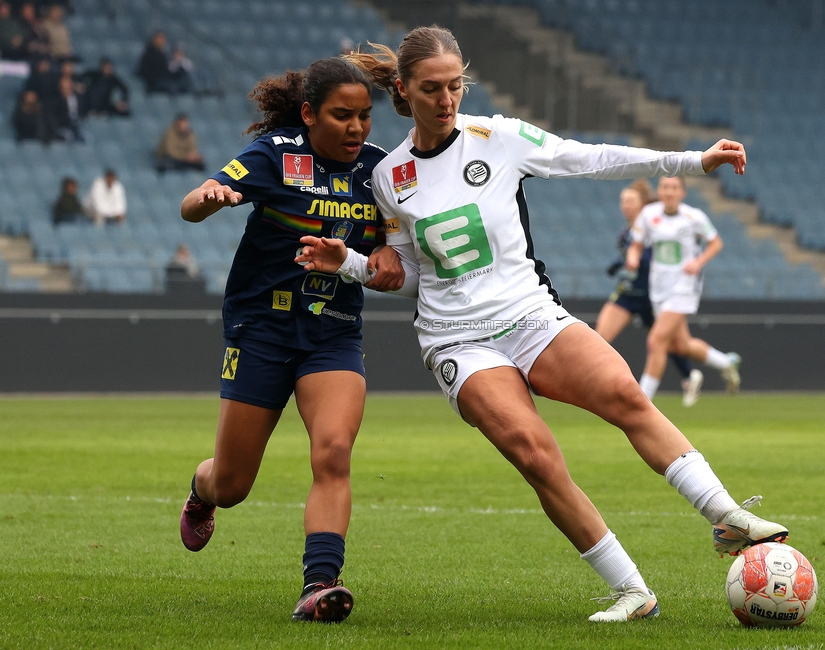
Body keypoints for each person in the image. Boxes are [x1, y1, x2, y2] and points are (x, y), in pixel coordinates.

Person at [299, 26, 790, 624]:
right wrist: (349, 263)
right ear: (403, 90)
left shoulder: (496, 138)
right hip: (457, 338)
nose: (447, 99)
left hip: (529, 314)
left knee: (623, 393)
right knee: (536, 455)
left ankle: (726, 516)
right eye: (432, 89)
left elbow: (590, 158)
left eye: (455, 85)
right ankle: (633, 591)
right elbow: (408, 276)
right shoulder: (389, 176)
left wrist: (692, 159)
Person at [177, 57, 404, 625]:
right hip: (261, 331)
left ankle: (320, 583)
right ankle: (201, 490)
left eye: (365, 117)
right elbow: (191, 206)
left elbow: (395, 256)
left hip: (333, 335)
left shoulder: (380, 171)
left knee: (333, 451)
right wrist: (209, 195)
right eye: (342, 116)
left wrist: (386, 254)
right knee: (232, 484)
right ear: (309, 114)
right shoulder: (277, 153)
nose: (357, 129)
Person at [625, 175, 741, 399]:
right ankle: (726, 362)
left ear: (682, 193)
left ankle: (642, 400)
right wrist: (632, 257)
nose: (669, 192)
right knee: (681, 345)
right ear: (659, 191)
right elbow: (636, 245)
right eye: (665, 187)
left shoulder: (693, 217)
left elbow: (716, 242)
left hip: (684, 287)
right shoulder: (649, 215)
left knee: (656, 340)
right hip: (659, 287)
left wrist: (698, 263)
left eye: (674, 188)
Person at [595, 179, 704, 407]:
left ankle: (683, 379)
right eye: (623, 201)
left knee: (671, 344)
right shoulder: (629, 232)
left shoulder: (657, 225)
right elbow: (631, 252)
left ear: (642, 203)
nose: (625, 205)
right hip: (630, 294)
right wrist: (621, 263)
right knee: (599, 339)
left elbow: (656, 256)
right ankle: (599, 387)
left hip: (654, 294)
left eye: (630, 201)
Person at [136, 31, 192, 95]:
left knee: (183, 74)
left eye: (163, 38)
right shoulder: (150, 54)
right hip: (155, 83)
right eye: (159, 38)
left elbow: (165, 71)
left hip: (162, 80)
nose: (162, 41)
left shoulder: (161, 54)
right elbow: (154, 72)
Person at [44, 73, 82, 141]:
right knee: (68, 135)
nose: (65, 90)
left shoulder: (80, 98)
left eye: (68, 88)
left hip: (80, 126)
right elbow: (54, 120)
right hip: (64, 128)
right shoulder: (55, 102)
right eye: (63, 88)